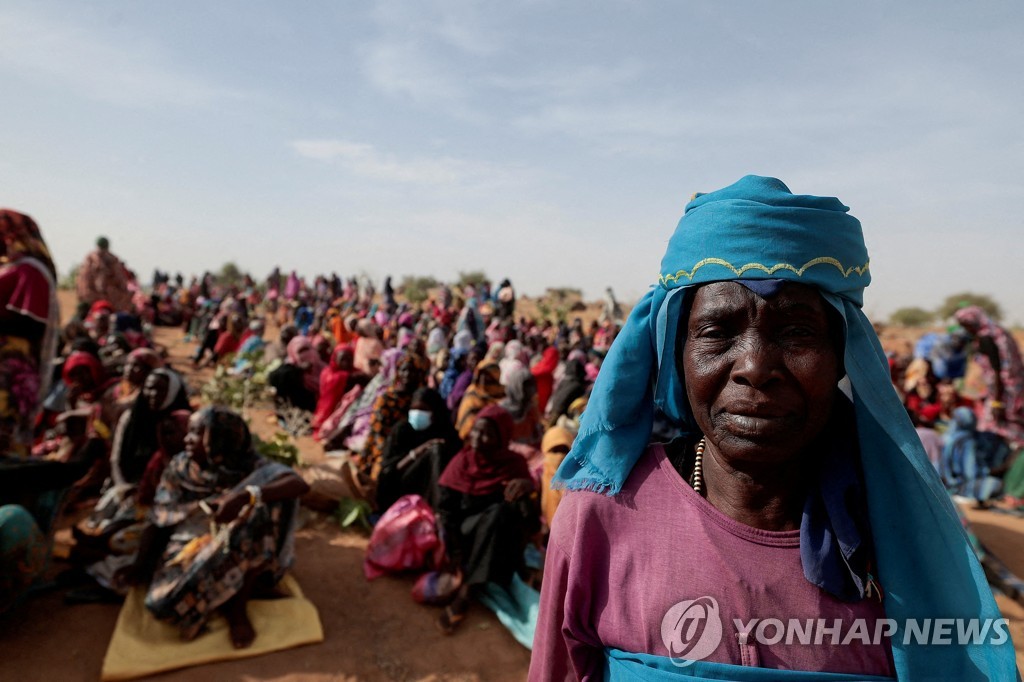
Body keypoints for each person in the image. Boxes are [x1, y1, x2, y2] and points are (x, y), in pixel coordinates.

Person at [530, 176, 1015, 679]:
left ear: (843, 358)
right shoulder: (598, 521)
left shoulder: (899, 543)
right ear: (677, 354)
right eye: (717, 332)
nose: (755, 368)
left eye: (797, 332)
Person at [117, 407, 309, 648]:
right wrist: (139, 564)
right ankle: (237, 590)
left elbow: (298, 483)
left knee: (258, 512)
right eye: (189, 432)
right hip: (191, 541)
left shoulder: (248, 465)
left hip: (239, 542)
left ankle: (237, 608)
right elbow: (160, 517)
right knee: (163, 604)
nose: (188, 439)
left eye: (197, 433)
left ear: (221, 439)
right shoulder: (181, 468)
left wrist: (243, 498)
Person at [436, 405, 538, 634]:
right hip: (467, 535)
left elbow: (529, 518)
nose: (477, 438)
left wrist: (527, 486)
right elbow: (447, 512)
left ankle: (479, 583)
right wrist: (457, 557)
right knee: (496, 514)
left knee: (515, 504)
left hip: (500, 538)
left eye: (487, 434)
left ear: (501, 438)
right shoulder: (462, 462)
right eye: (476, 430)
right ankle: (470, 587)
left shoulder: (513, 464)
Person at [376, 387, 463, 511]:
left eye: (423, 410)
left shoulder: (445, 432)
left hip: (436, 485)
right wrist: (418, 452)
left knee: (437, 451)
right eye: (414, 409)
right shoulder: (402, 430)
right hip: (405, 484)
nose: (417, 414)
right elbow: (389, 470)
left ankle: (441, 510)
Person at [954, 306, 1024, 448]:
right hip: (1011, 389)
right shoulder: (997, 333)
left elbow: (997, 371)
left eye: (966, 326)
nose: (966, 330)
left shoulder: (986, 337)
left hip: (1002, 394)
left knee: (996, 428)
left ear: (973, 322)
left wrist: (997, 403)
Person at [75, 236, 133, 317]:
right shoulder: (108, 260)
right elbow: (121, 281)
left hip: (99, 298)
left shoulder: (91, 259)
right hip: (97, 298)